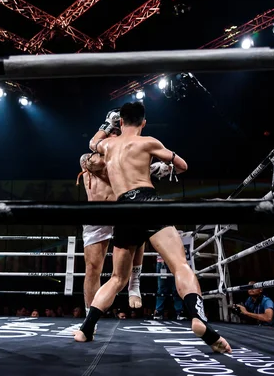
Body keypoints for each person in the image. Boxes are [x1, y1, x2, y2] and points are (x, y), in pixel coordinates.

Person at [74, 101, 231, 354]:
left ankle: (86, 328)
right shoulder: (148, 142)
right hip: (148, 201)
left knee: (116, 278)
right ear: (143, 123)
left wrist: (105, 127)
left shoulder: (106, 145)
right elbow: (183, 166)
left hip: (122, 208)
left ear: (121, 122)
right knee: (180, 265)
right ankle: (198, 319)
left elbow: (92, 144)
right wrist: (166, 167)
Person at [77, 112, 144, 315]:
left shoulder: (128, 157)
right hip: (97, 214)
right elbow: (99, 164)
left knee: (140, 223)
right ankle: (90, 315)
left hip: (121, 210)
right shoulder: (88, 158)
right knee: (92, 268)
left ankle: (135, 283)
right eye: (112, 136)